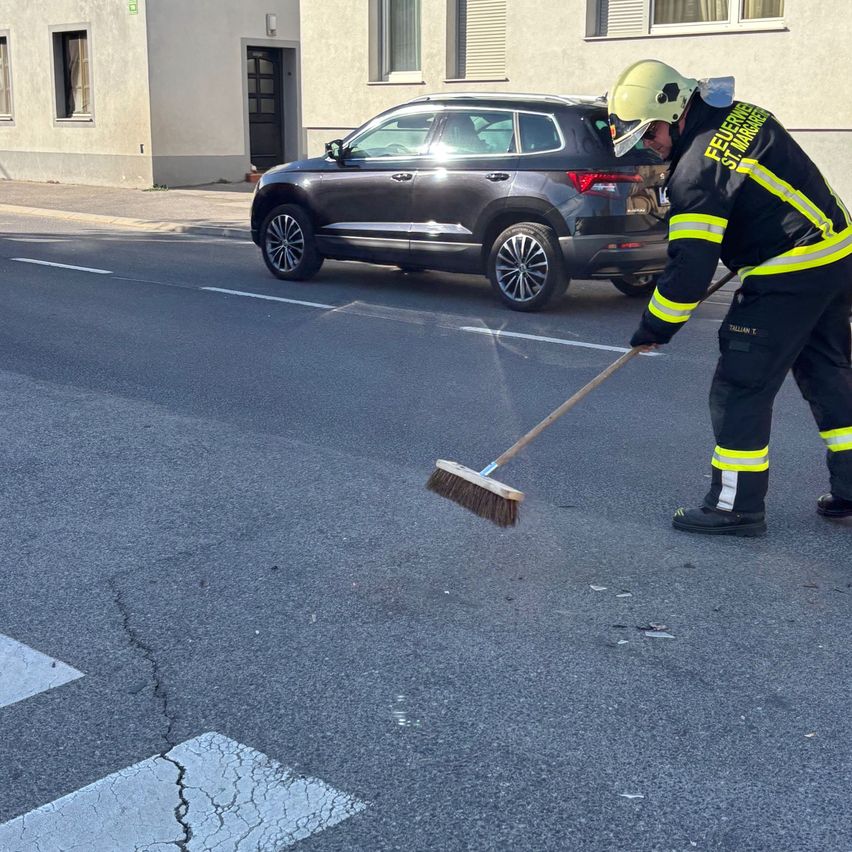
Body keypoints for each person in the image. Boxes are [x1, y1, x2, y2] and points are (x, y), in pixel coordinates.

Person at [607, 59, 852, 536]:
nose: (649, 145)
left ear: (675, 111)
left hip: (790, 272)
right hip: (837, 255)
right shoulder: (743, 114)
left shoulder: (695, 172)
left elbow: (689, 273)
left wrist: (654, 327)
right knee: (827, 374)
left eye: (650, 132)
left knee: (740, 386)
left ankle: (734, 507)